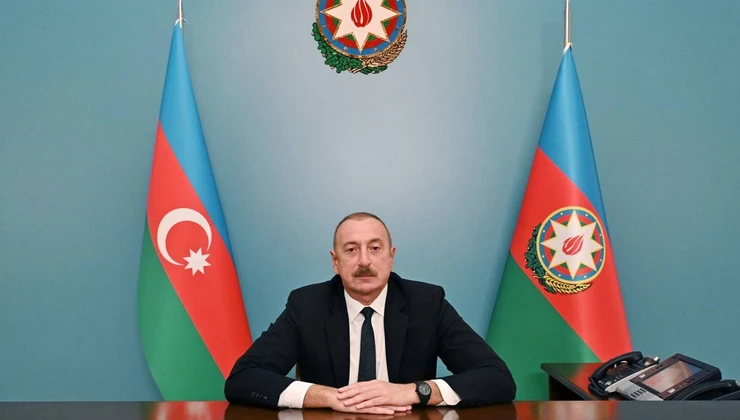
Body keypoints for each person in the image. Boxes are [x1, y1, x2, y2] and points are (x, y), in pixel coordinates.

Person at [225, 212, 516, 414]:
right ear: (335, 262)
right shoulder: (307, 305)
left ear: (391, 256)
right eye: (351, 250)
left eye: (375, 248)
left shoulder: (426, 303)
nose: (364, 261)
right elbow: (243, 378)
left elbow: (497, 378)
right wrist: (329, 397)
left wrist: (414, 392)